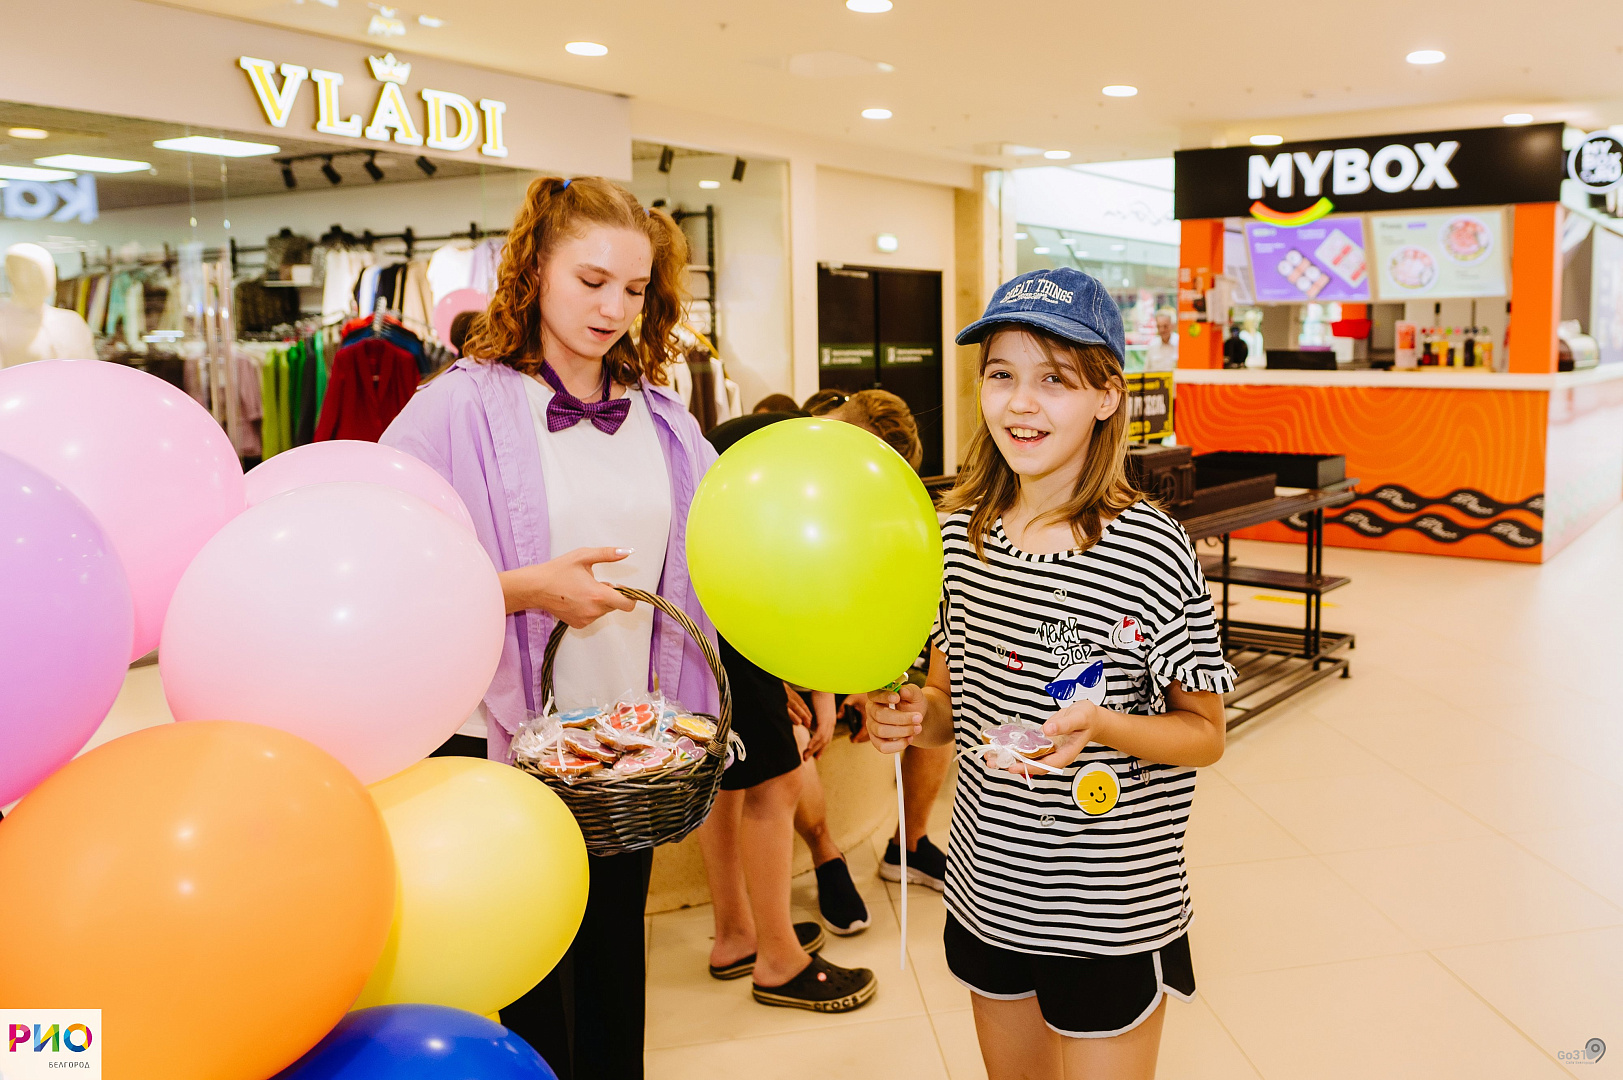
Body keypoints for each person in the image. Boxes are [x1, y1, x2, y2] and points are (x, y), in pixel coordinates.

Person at [381, 175, 717, 1080]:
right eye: (591, 281)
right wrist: (525, 589)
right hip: (501, 742)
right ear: (533, 271)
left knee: (613, 967)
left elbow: (710, 566)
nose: (613, 309)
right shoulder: (454, 408)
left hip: (623, 745)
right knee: (531, 978)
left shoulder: (664, 419)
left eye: (634, 289)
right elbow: (389, 570)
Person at [864, 267, 1233, 1080]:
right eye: (1001, 375)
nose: (1020, 404)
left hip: (1110, 911)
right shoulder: (956, 537)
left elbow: (1204, 735)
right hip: (989, 892)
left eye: (1054, 380)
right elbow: (950, 705)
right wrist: (909, 715)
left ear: (1106, 396)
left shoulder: (1151, 548)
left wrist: (1101, 726)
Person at [696, 404, 879, 1013]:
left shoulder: (774, 436)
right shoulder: (806, 463)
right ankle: (778, 961)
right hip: (725, 616)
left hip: (707, 610)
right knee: (776, 780)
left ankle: (736, 934)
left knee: (726, 778)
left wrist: (817, 687)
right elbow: (796, 584)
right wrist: (807, 685)